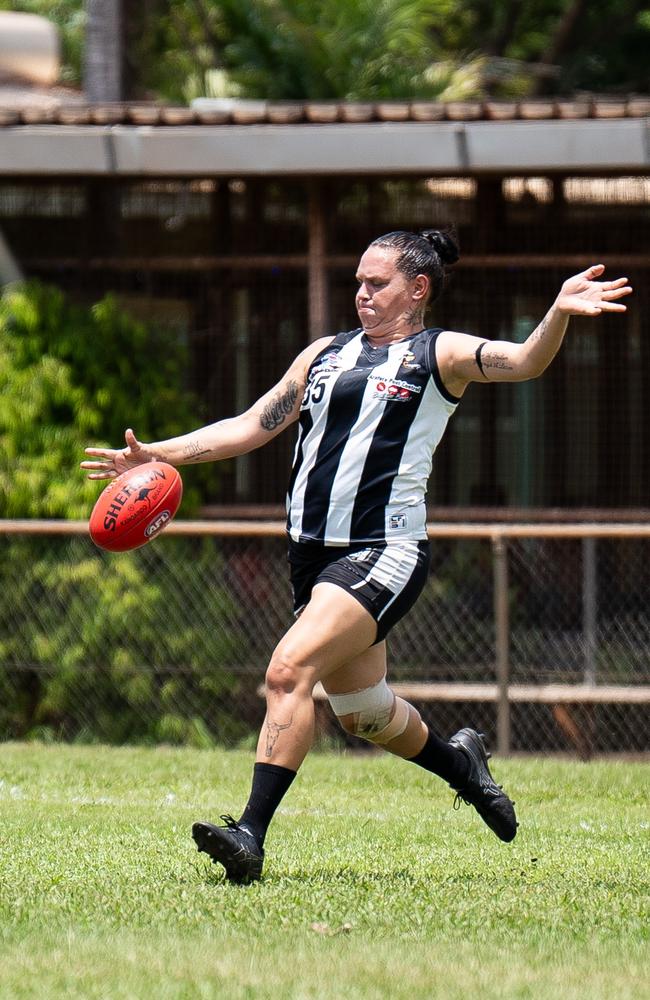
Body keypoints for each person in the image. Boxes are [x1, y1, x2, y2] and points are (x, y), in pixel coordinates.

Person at [81, 229, 632, 884]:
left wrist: (557, 314)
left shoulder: (439, 353)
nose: (362, 294)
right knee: (364, 712)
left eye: (378, 284)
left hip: (382, 550)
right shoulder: (325, 354)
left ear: (418, 288)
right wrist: (157, 455)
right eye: (358, 283)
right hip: (312, 559)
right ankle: (464, 764)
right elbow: (253, 424)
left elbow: (523, 362)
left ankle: (249, 836)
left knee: (288, 672)